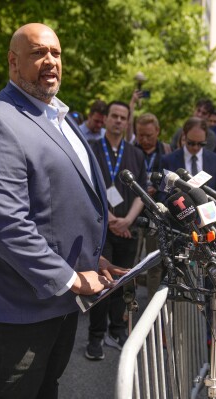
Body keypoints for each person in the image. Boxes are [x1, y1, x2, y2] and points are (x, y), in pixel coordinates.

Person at [0, 23, 121, 399]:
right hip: (13, 310)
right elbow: (6, 224)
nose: (50, 61)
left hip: (56, 303)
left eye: (56, 53)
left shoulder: (61, 119)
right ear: (13, 63)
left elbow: (57, 207)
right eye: (38, 53)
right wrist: (73, 279)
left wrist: (92, 260)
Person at [87, 101, 146, 360]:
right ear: (106, 118)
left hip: (128, 228)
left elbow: (141, 193)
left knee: (122, 281)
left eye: (123, 117)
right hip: (101, 227)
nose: (119, 121)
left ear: (127, 121)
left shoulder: (135, 153)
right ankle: (96, 336)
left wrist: (128, 220)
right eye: (114, 116)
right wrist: (112, 220)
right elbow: (87, 187)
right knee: (102, 282)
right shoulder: (91, 149)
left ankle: (117, 329)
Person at [133, 113, 172, 299]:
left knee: (154, 263)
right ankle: (127, 306)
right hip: (132, 212)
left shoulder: (166, 151)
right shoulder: (131, 151)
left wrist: (157, 190)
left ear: (157, 131)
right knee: (131, 263)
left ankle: (152, 308)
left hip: (156, 215)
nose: (145, 139)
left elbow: (170, 182)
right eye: (141, 135)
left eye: (149, 135)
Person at [161, 117, 216, 199]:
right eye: (191, 143)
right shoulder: (168, 160)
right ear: (184, 136)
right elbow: (162, 194)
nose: (196, 147)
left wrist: (206, 198)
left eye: (201, 144)